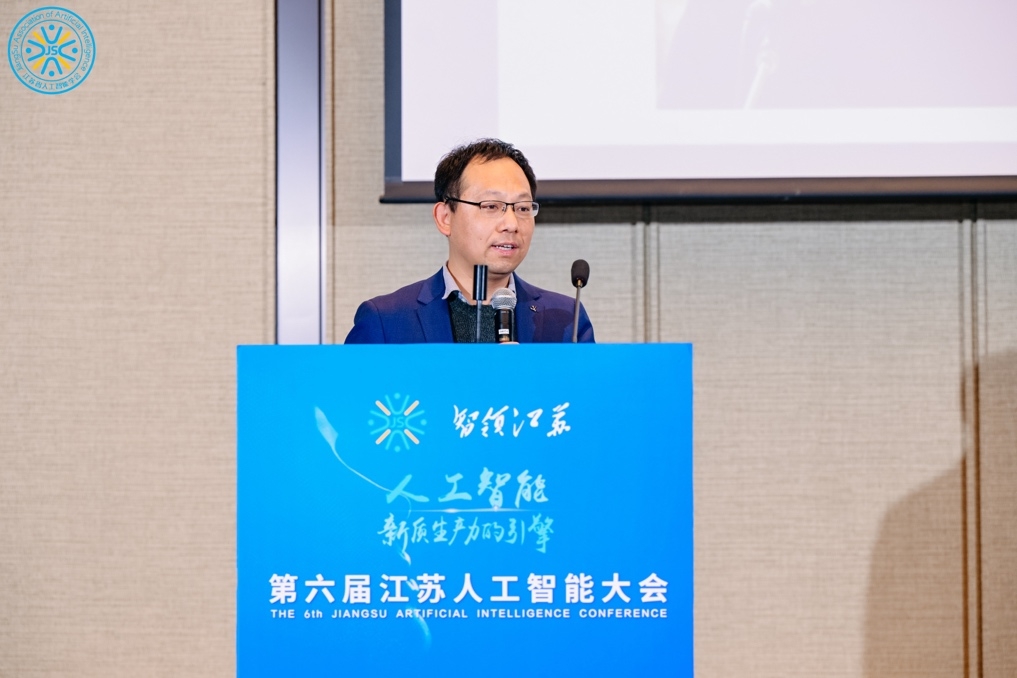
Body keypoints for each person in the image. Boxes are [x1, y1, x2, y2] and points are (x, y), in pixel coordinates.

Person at [344, 139, 595, 344]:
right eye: (491, 206)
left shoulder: (566, 320)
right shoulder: (386, 321)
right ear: (445, 218)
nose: (511, 223)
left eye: (523, 208)